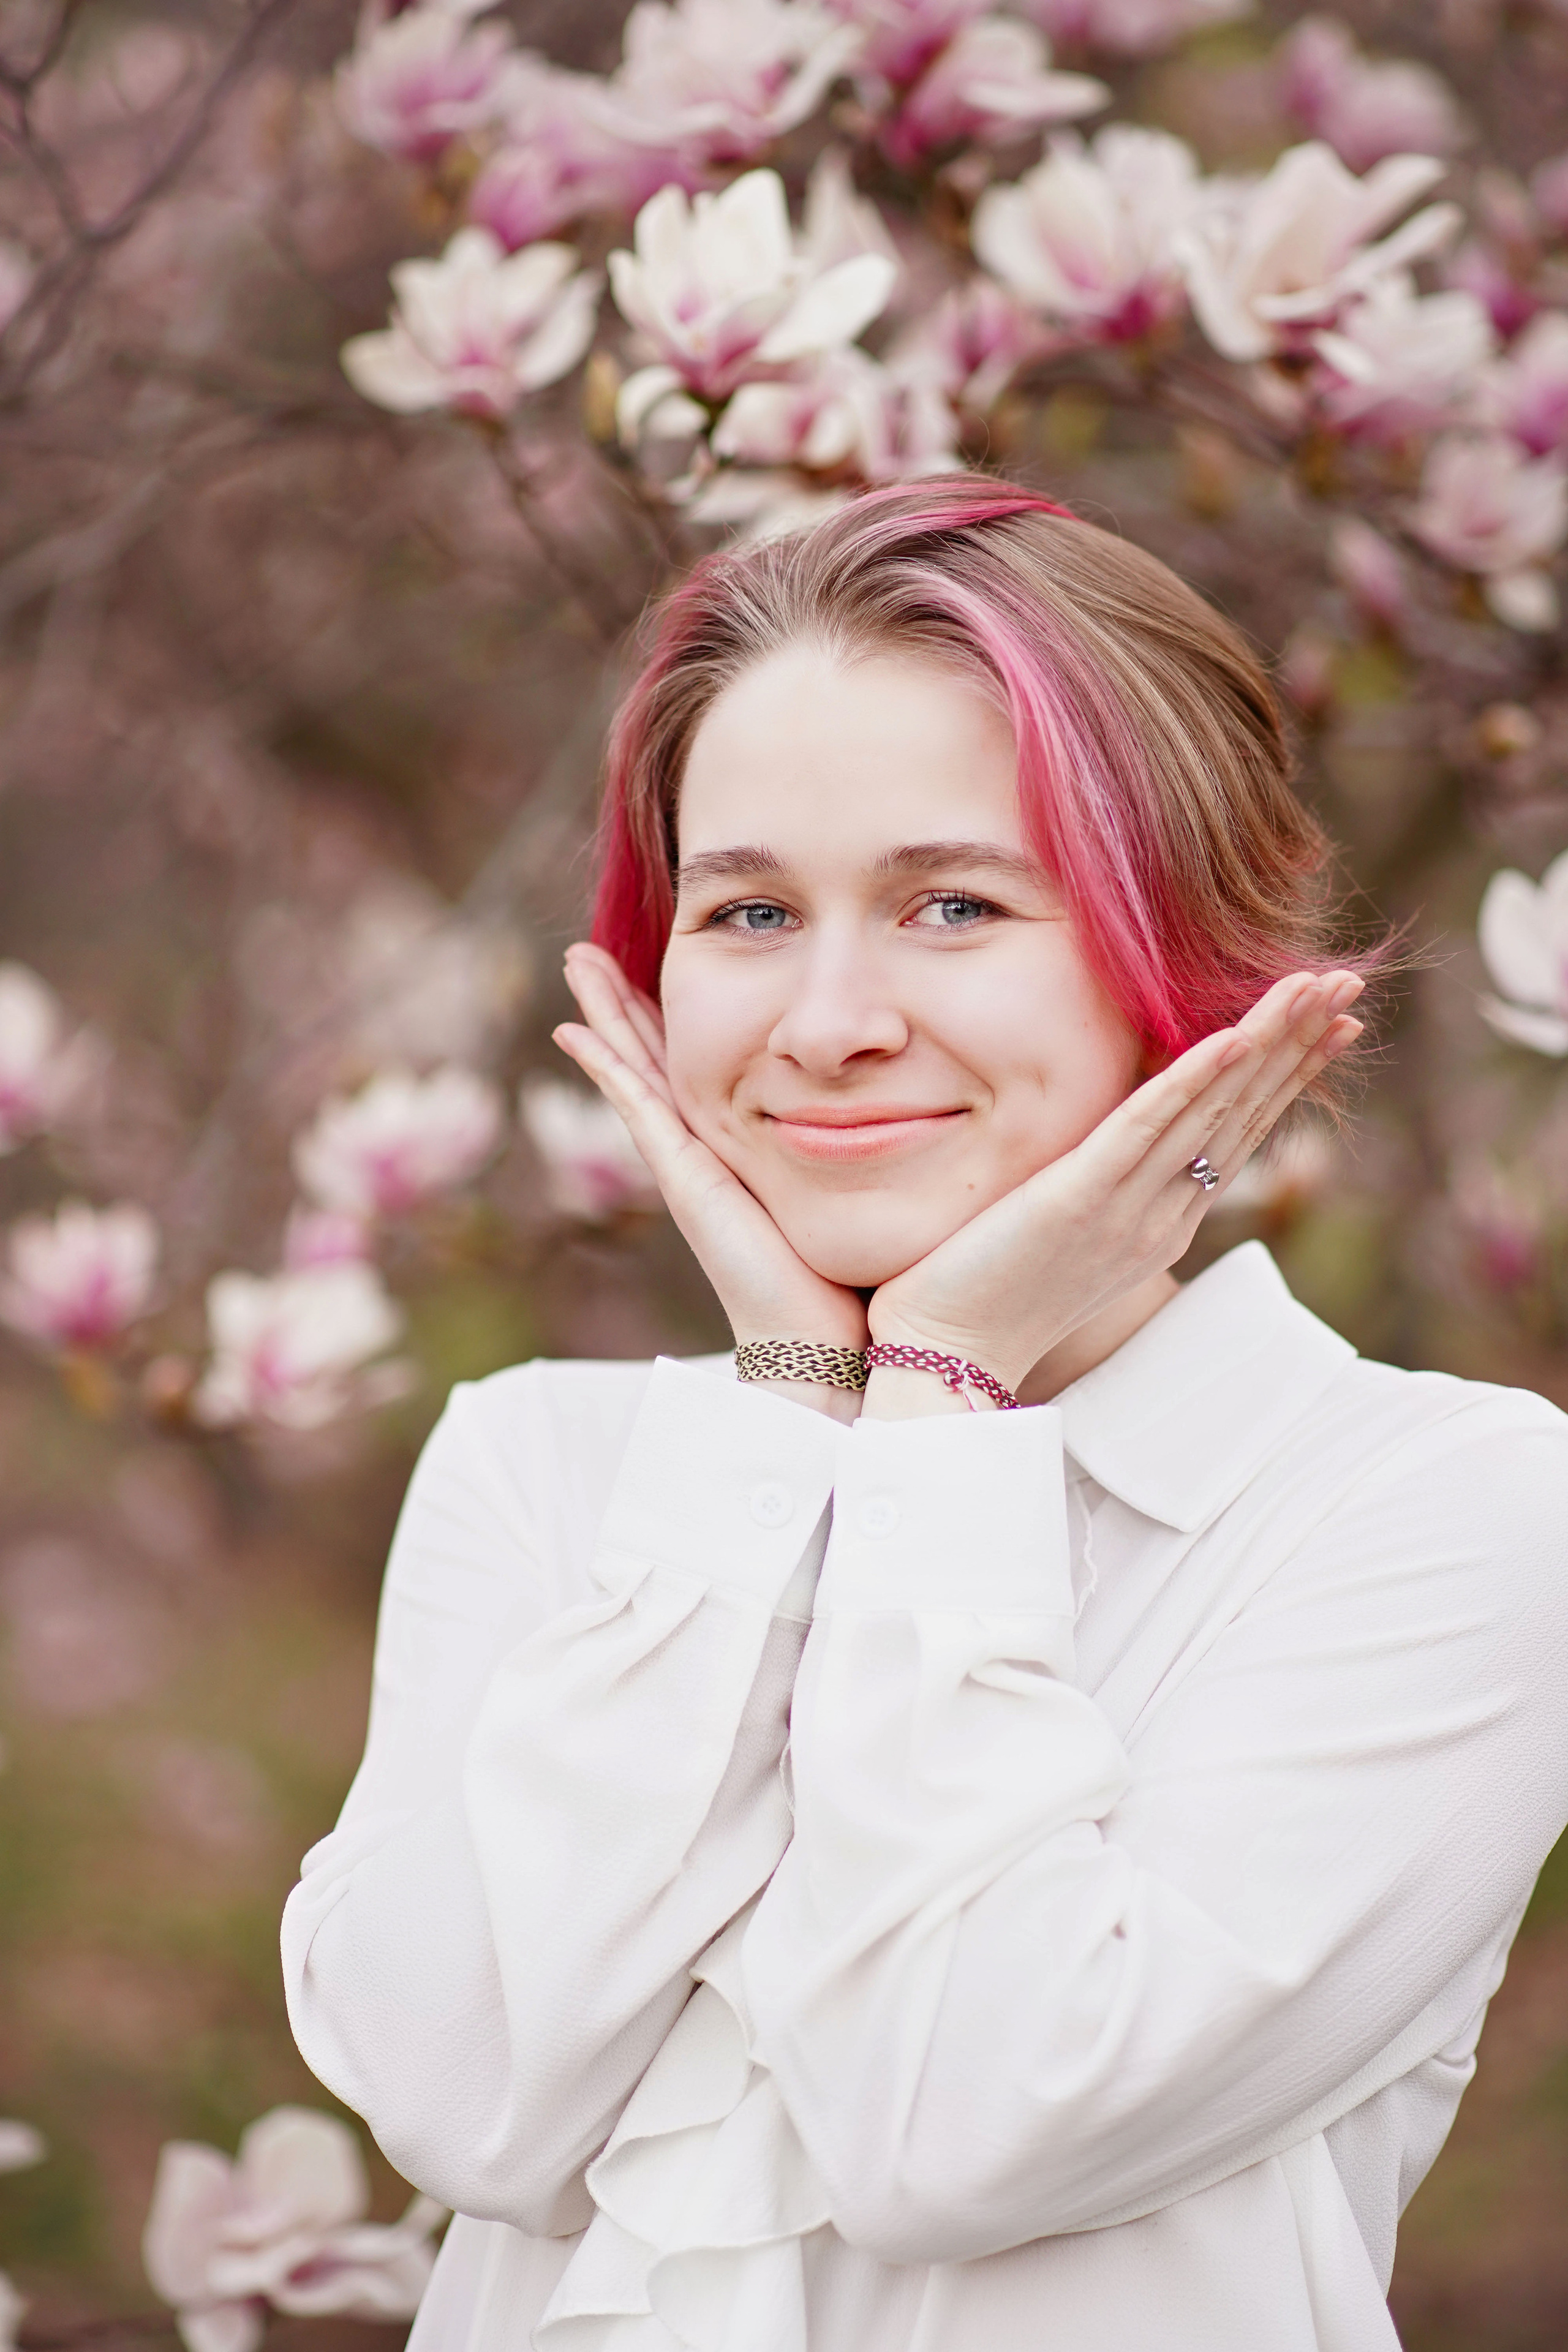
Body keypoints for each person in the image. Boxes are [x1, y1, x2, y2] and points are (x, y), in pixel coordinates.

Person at [281, 479, 1568, 2352]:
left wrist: (942, 1415)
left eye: (952, 904)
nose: (825, 1021)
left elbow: (964, 2130)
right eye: (746, 912)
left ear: (1182, 962)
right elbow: (470, 2106)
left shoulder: (1448, 1511)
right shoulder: (537, 1466)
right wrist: (795, 1412)